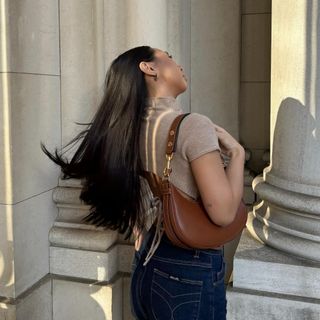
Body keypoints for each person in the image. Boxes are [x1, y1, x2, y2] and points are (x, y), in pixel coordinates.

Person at [41, 46, 245, 319]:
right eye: (169, 56)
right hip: (188, 269)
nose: (178, 63)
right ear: (148, 68)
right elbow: (223, 214)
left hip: (146, 264)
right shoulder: (193, 125)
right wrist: (238, 154)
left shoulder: (125, 129)